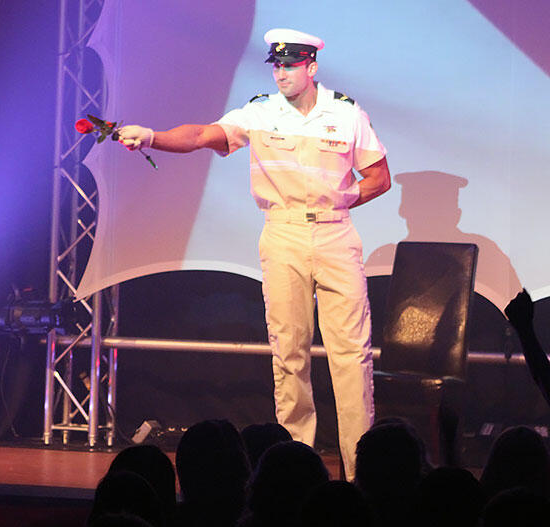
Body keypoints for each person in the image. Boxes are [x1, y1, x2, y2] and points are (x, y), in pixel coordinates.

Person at [118, 28, 391, 478]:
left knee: (351, 354)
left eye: (290, 65)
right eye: (277, 66)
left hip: (335, 235)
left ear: (311, 67)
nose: (281, 73)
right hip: (282, 233)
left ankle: (361, 469)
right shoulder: (260, 112)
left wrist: (340, 201)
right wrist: (151, 137)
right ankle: (295, 467)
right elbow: (202, 134)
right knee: (289, 351)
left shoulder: (346, 114)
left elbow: (379, 178)